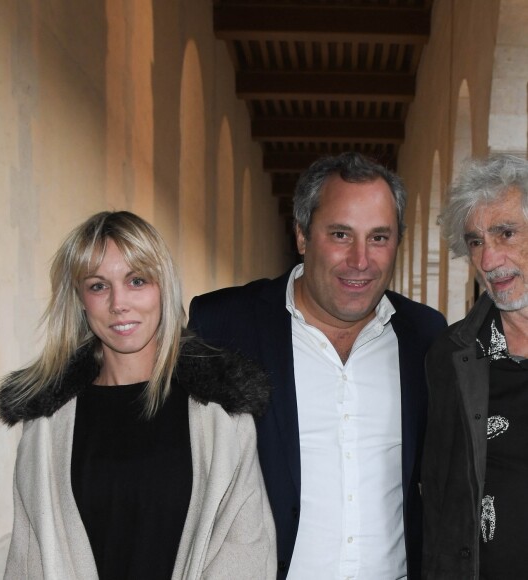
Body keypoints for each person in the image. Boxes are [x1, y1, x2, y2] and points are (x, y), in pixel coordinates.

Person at [188, 152, 447, 579]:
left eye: (379, 237)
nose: (361, 260)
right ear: (303, 236)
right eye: (341, 234)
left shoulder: (425, 335)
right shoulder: (224, 325)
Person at [0, 211, 276, 579]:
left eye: (137, 280)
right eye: (98, 286)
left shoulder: (221, 415)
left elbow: (247, 552)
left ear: (164, 287)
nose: (118, 303)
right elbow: (28, 557)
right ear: (79, 298)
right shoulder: (46, 425)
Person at [422, 154, 528, 579]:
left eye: (506, 233)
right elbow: (438, 498)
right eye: (476, 242)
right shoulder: (452, 357)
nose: (488, 261)